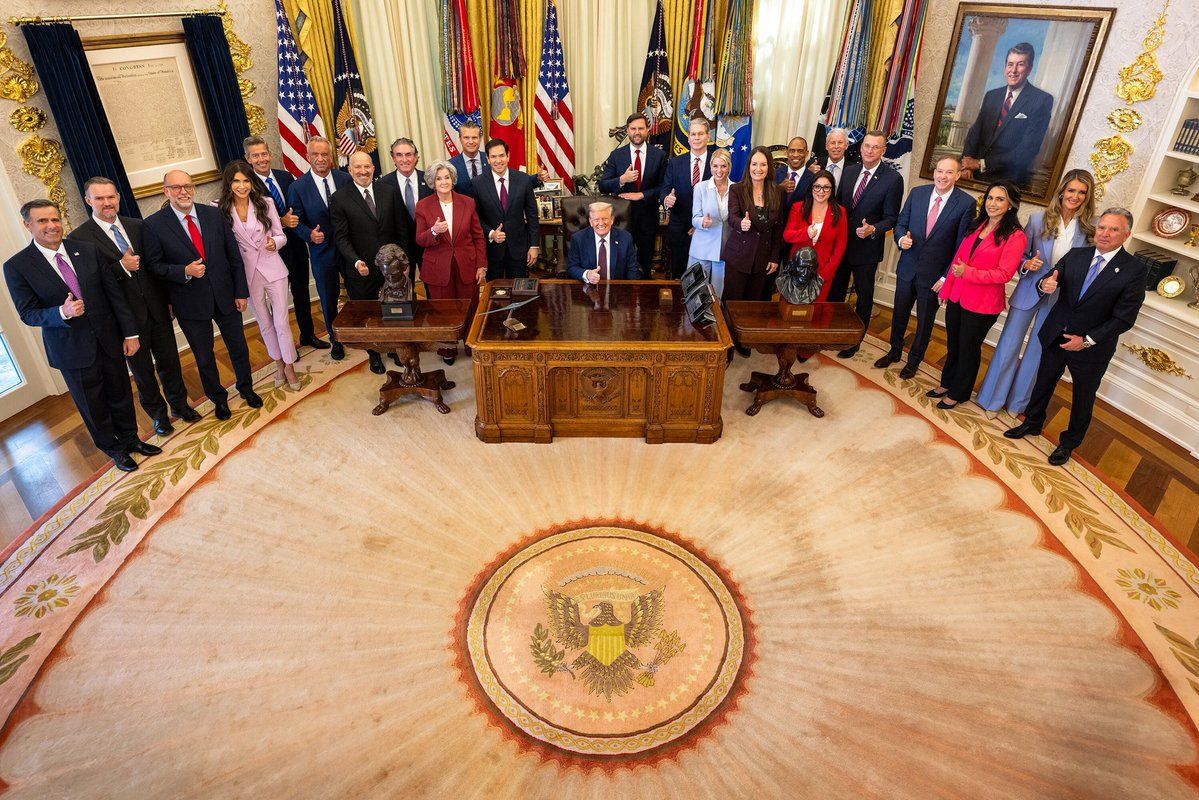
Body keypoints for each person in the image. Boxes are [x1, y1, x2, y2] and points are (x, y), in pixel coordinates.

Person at [4, 200, 161, 472]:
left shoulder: (86, 250)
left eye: (55, 219)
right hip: (72, 350)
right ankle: (114, 450)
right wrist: (61, 312)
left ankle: (131, 439)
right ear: (27, 224)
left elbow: (114, 295)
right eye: (42, 221)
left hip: (109, 340)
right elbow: (28, 313)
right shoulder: (17, 266)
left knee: (121, 394)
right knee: (94, 404)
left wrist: (130, 333)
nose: (52, 226)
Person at [1005, 209, 1145, 466]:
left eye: (1113, 229)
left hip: (1091, 348)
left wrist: (1088, 339)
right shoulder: (1078, 254)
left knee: (1082, 398)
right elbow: (1053, 276)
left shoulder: (1134, 270)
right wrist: (1045, 284)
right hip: (1057, 335)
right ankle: (1033, 423)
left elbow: (1124, 318)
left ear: (1127, 234)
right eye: (1102, 227)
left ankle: (1068, 444)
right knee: (1043, 383)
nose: (1105, 233)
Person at [68, 177, 199, 435]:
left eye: (111, 197)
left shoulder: (139, 226)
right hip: (123, 320)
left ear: (118, 197)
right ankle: (159, 416)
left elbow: (155, 266)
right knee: (142, 372)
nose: (107, 203)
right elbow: (91, 284)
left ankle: (180, 405)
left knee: (170, 361)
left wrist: (169, 301)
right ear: (88, 201)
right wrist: (120, 268)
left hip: (157, 309)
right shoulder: (79, 239)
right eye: (100, 198)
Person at [142, 170, 262, 420]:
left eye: (187, 186)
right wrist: (183, 271)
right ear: (166, 191)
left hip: (226, 296)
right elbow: (154, 266)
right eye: (176, 188)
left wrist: (241, 292)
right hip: (189, 303)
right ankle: (218, 399)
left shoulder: (214, 214)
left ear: (193, 188)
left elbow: (234, 256)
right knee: (205, 356)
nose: (183, 192)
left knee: (238, 347)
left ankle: (246, 388)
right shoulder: (153, 225)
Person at [977, 169, 1096, 418]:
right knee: (1008, 345)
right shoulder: (1038, 219)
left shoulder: (1089, 231)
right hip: (1029, 290)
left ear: (1088, 196)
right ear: (1062, 191)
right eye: (1071, 190)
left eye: (1081, 192)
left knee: (1037, 352)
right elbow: (1019, 254)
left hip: (1060, 300)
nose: (1075, 196)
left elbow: (1084, 268)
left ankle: (1018, 405)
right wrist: (1026, 264)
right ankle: (992, 400)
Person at [927, 180, 1027, 409]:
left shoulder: (1015, 236)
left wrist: (968, 272)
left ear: (1011, 204)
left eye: (1000, 199)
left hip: (983, 304)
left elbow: (1004, 274)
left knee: (968, 348)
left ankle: (960, 392)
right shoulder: (977, 224)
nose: (993, 203)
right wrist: (947, 288)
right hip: (958, 295)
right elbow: (958, 260)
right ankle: (947, 383)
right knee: (954, 344)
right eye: (990, 198)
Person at [876, 155, 975, 378]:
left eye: (949, 172)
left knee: (924, 321)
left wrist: (945, 277)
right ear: (934, 172)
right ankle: (894, 351)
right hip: (907, 267)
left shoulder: (966, 204)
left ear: (958, 175)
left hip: (934, 277)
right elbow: (901, 223)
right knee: (899, 313)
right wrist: (901, 239)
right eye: (940, 171)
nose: (943, 176)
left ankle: (914, 361)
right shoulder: (918, 193)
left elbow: (962, 247)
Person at [243, 135, 329, 351]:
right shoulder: (246, 186)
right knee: (278, 303)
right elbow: (249, 222)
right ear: (248, 159)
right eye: (256, 156)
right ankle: (283, 346)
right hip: (269, 253)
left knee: (301, 293)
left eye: (264, 153)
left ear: (270, 154)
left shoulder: (285, 177)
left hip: (296, 246)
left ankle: (307, 335)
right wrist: (279, 222)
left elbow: (296, 210)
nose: (261, 159)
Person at [220, 160, 300, 391]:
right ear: (229, 183)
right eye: (236, 181)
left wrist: (275, 242)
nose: (242, 186)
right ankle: (278, 364)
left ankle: (290, 365)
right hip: (246, 274)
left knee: (281, 321)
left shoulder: (266, 203)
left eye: (246, 180)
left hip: (273, 269)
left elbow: (281, 234)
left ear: (252, 183)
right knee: (264, 323)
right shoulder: (220, 209)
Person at [330, 150, 408, 374]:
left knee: (392, 309)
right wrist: (356, 262)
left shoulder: (388, 191)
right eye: (358, 167)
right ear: (350, 169)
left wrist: (404, 261)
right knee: (369, 313)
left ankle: (394, 348)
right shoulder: (340, 198)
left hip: (390, 268)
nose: (363, 171)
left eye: (367, 167)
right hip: (361, 270)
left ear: (373, 168)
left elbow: (401, 228)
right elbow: (341, 237)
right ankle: (374, 353)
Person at [828, 129, 903, 357]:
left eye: (875, 147)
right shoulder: (849, 172)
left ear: (883, 150)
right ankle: (832, 332)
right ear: (860, 148)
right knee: (836, 292)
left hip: (867, 249)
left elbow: (892, 218)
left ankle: (854, 341)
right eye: (866, 146)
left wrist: (873, 229)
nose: (869, 151)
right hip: (841, 246)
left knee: (864, 296)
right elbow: (838, 208)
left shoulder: (893, 179)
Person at [414, 161, 487, 363]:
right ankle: (447, 349)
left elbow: (478, 236)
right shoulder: (423, 205)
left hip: (467, 264)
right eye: (438, 178)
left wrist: (482, 265)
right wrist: (434, 231)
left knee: (469, 307)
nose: (443, 181)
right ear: (432, 182)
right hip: (438, 267)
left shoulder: (468, 202)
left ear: (453, 179)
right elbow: (420, 239)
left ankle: (470, 344)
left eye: (447, 177)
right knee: (443, 310)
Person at [287, 136, 352, 360]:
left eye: (325, 154)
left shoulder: (345, 179)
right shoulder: (297, 187)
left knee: (359, 292)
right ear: (308, 157)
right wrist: (309, 235)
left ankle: (362, 334)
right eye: (316, 154)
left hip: (349, 248)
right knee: (328, 297)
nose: (321, 159)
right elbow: (296, 222)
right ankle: (336, 340)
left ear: (331, 157)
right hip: (321, 251)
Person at [961, 42, 1054, 187]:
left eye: (1020, 64)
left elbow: (1027, 151)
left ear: (1029, 69)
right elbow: (975, 132)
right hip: (973, 175)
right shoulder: (992, 95)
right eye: (1010, 64)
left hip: (1009, 182)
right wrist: (967, 163)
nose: (1014, 70)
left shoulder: (1042, 100)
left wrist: (980, 163)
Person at [722, 147, 783, 337]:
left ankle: (745, 337)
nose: (759, 168)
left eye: (763, 164)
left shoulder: (777, 191)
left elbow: (778, 228)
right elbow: (731, 217)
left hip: (763, 259)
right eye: (755, 164)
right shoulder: (737, 189)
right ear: (749, 166)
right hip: (739, 255)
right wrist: (742, 223)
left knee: (753, 301)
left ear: (769, 167)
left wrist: (774, 257)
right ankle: (728, 338)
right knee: (733, 300)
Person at [598, 114, 667, 277]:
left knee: (645, 264)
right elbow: (603, 185)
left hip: (647, 218)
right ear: (628, 131)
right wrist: (621, 179)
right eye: (633, 129)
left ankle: (644, 298)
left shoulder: (659, 156)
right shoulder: (617, 155)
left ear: (647, 130)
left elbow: (663, 187)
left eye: (641, 128)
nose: (637, 132)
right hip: (622, 219)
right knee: (620, 265)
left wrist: (642, 194)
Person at [472, 138, 540, 280]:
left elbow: (532, 215)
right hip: (492, 251)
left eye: (501, 155)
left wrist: (534, 245)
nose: (498, 160)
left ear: (508, 156)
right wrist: (491, 233)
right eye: (493, 156)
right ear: (488, 159)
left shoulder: (523, 179)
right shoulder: (477, 184)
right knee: (494, 294)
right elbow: (475, 218)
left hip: (519, 249)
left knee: (518, 291)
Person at [660, 117, 714, 278]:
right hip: (679, 230)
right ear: (688, 138)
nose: (696, 138)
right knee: (679, 276)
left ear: (708, 136)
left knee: (702, 278)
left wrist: (700, 223)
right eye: (693, 134)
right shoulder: (675, 163)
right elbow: (664, 190)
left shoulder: (716, 162)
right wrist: (666, 200)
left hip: (707, 229)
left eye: (700, 134)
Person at [781, 169, 846, 301]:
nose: (821, 191)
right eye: (817, 186)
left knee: (815, 314)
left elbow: (840, 247)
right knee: (790, 311)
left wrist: (825, 273)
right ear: (811, 187)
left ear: (832, 189)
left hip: (822, 273)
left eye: (826, 187)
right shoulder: (798, 208)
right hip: (797, 271)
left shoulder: (840, 212)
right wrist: (806, 233)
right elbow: (787, 235)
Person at [381, 138, 432, 283]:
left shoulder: (429, 180)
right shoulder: (383, 184)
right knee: (403, 291)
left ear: (416, 157)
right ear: (393, 158)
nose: (404, 159)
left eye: (408, 154)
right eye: (399, 155)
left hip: (428, 247)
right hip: (398, 249)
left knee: (432, 288)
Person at [689, 149, 734, 298]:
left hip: (725, 247)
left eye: (723, 166)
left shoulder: (736, 189)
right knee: (697, 291)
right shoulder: (700, 187)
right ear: (710, 167)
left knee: (717, 293)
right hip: (702, 247)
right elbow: (695, 218)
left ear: (729, 167)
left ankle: (716, 320)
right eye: (715, 166)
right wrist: (703, 222)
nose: (719, 170)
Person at [566, 201, 641, 282]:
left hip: (617, 289)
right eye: (596, 220)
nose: (601, 223)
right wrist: (587, 274)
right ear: (591, 222)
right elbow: (572, 268)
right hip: (588, 288)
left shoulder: (625, 238)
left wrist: (633, 289)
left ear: (612, 220)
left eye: (605, 219)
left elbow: (632, 269)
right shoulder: (578, 239)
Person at [449, 121, 486, 197]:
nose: (471, 142)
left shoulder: (490, 160)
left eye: (474, 137)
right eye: (466, 137)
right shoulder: (450, 165)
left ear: (480, 139)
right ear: (460, 139)